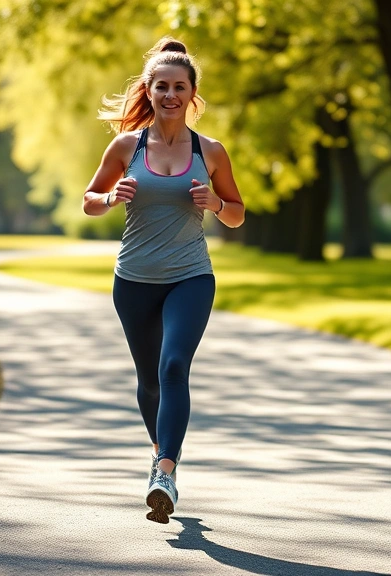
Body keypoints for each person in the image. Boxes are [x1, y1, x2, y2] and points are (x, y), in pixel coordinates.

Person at [81, 37, 245, 524]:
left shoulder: (210, 151)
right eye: (161, 86)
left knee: (174, 367)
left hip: (191, 277)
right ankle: (160, 452)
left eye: (179, 87)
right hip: (133, 281)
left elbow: (237, 214)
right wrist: (111, 198)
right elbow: (89, 198)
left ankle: (165, 473)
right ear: (148, 91)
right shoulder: (126, 147)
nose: (170, 94)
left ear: (192, 94)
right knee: (149, 378)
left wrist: (217, 205)